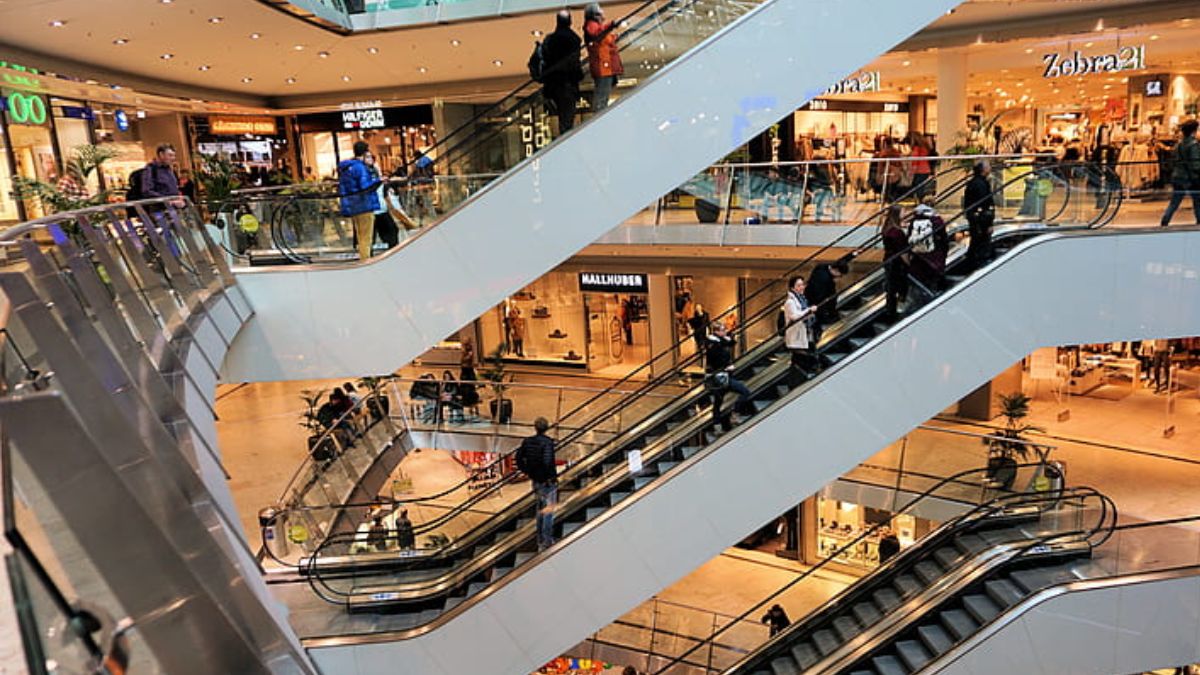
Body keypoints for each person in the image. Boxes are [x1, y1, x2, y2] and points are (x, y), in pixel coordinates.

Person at [516, 417, 558, 550]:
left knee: (540, 509)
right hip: (547, 482)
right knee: (548, 511)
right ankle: (547, 540)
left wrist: (528, 471)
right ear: (547, 428)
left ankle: (539, 538)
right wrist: (550, 477)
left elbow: (518, 458)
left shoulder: (527, 442)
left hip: (535, 481)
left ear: (535, 427)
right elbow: (547, 462)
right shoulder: (547, 443)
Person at [541, 10, 584, 133]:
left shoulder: (550, 40)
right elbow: (574, 64)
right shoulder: (573, 39)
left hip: (552, 84)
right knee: (567, 118)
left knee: (562, 116)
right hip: (567, 83)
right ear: (570, 21)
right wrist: (578, 75)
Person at [705, 321, 753, 432]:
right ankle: (734, 414)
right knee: (744, 391)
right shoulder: (713, 343)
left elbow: (732, 343)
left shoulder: (720, 341)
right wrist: (726, 367)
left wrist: (726, 338)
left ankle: (717, 425)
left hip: (723, 376)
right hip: (720, 375)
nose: (725, 332)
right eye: (723, 330)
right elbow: (714, 358)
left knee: (718, 401)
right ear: (716, 331)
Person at [338, 140, 381, 261]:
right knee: (366, 237)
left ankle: (364, 259)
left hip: (353, 206)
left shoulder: (346, 168)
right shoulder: (360, 168)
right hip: (364, 205)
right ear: (365, 151)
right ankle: (365, 261)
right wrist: (379, 180)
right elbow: (365, 187)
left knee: (360, 235)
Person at [583, 3, 623, 113]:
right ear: (595, 13)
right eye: (600, 10)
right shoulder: (592, 25)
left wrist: (614, 35)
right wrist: (611, 25)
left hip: (606, 66)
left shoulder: (597, 26)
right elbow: (597, 34)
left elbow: (603, 39)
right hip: (603, 67)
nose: (602, 12)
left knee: (603, 96)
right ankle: (598, 117)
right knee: (601, 97)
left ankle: (600, 115)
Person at [1161, 119, 1200, 227]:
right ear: (1194, 130)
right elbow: (1195, 163)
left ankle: (1165, 220)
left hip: (1177, 176)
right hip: (1190, 178)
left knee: (1175, 201)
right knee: (1197, 200)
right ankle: (1199, 221)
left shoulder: (1179, 144)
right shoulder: (1193, 145)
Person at [805, 256, 849, 348]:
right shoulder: (826, 280)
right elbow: (824, 297)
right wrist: (831, 312)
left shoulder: (821, 267)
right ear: (836, 270)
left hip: (809, 300)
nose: (839, 277)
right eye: (840, 275)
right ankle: (815, 345)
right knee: (816, 326)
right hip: (816, 306)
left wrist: (852, 255)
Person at [908, 199, 950, 295]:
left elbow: (910, 238)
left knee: (920, 282)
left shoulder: (914, 220)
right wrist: (944, 253)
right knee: (934, 281)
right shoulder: (937, 221)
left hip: (918, 258)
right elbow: (944, 239)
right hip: (935, 257)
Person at [783, 276, 817, 384]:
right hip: (796, 336)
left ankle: (795, 382)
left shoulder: (802, 299)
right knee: (800, 359)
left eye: (802, 284)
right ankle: (795, 382)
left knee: (798, 360)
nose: (802, 287)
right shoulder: (790, 302)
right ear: (792, 288)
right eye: (798, 285)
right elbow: (794, 317)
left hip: (803, 334)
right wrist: (808, 311)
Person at [964, 159, 995, 271]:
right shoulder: (981, 184)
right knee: (980, 243)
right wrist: (989, 223)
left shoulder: (973, 183)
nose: (990, 168)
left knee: (976, 242)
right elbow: (985, 204)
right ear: (983, 169)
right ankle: (976, 265)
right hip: (981, 220)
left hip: (975, 218)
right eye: (988, 166)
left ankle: (971, 262)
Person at [365, 152, 400, 250]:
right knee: (373, 236)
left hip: (379, 208)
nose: (370, 159)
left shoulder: (374, 169)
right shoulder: (365, 171)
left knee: (390, 232)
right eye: (367, 157)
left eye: (371, 157)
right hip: (373, 209)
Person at [881, 205, 910, 320]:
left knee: (891, 288)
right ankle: (893, 312)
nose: (905, 213)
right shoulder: (897, 233)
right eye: (903, 211)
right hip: (896, 264)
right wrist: (908, 263)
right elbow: (903, 252)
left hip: (888, 260)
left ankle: (890, 311)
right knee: (897, 288)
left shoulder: (887, 229)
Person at [907, 132, 934, 198]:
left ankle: (919, 202)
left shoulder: (917, 148)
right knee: (920, 187)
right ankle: (920, 201)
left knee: (917, 187)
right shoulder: (925, 147)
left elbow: (915, 160)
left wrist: (911, 171)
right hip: (926, 169)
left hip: (920, 170)